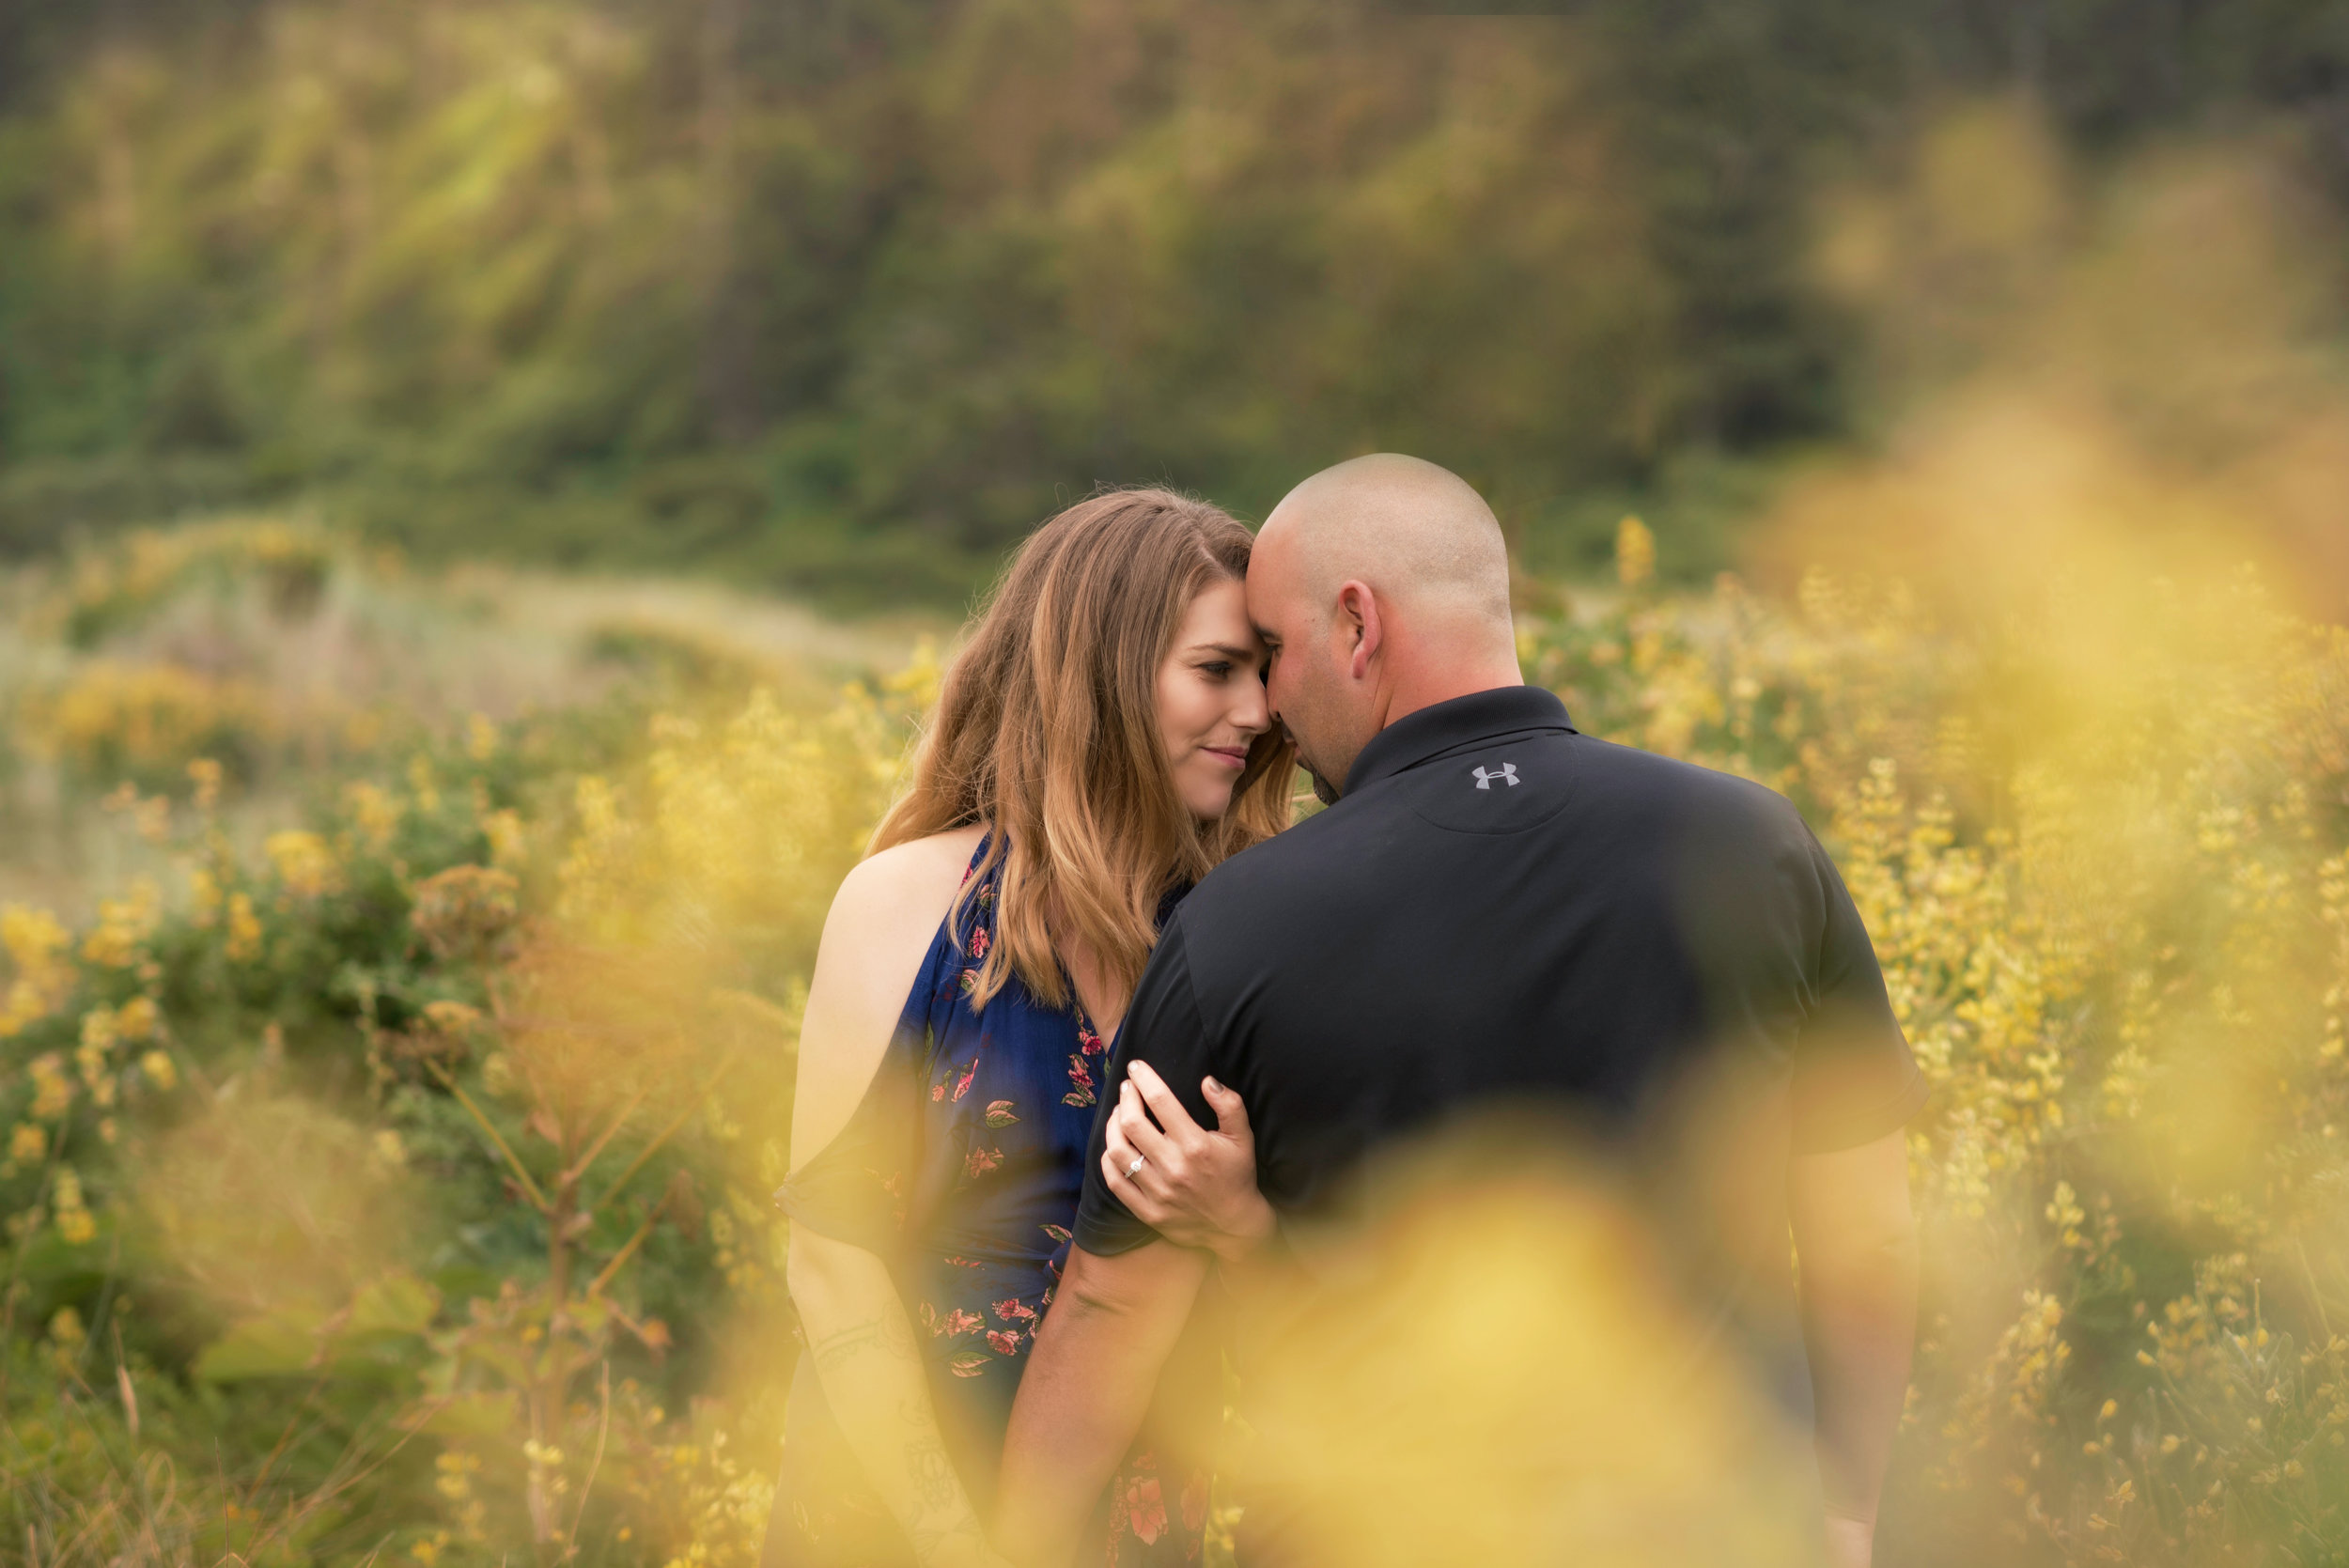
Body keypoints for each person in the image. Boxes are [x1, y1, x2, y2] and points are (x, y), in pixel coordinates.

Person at [994, 455, 1928, 1568]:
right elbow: (1861, 1230)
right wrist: (1844, 1516)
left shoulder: (1237, 927)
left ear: (1356, 625)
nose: (1271, 712)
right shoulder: (1757, 846)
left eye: (1276, 655)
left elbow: (1111, 1312)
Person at [764, 489, 1295, 1568]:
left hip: (1131, 1511)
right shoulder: (908, 904)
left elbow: (1322, 1274)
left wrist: (1237, 1215)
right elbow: (829, 1261)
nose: (1255, 712)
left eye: (1265, 674)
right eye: (1215, 670)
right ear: (1101, 672)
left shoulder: (1238, 923)